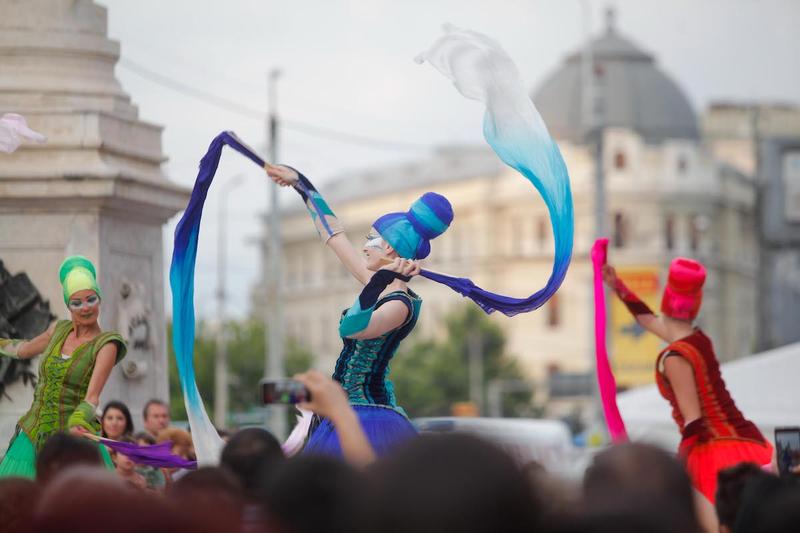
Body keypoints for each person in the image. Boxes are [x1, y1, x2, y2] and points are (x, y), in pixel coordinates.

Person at [266, 164, 453, 456]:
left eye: (370, 239)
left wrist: (377, 281)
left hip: (369, 417)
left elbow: (351, 328)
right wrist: (300, 184)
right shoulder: (378, 286)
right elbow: (334, 236)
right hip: (349, 410)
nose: (364, 247)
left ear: (389, 248)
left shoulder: (398, 304)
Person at [602, 257, 772, 505]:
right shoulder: (697, 340)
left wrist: (680, 467)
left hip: (714, 451)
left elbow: (694, 420)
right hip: (745, 442)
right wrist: (617, 285)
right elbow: (648, 319)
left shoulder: (676, 356)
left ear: (666, 299)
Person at [0, 256, 127, 478]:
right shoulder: (58, 330)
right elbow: (24, 349)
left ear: (99, 300)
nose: (85, 308)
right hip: (33, 432)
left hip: (73, 439)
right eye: (77, 303)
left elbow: (92, 398)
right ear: (68, 305)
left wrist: (78, 420)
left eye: (91, 299)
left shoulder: (107, 344)